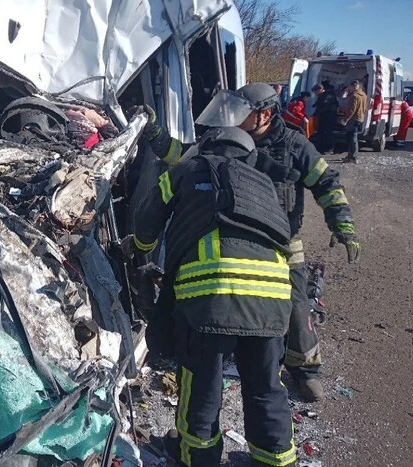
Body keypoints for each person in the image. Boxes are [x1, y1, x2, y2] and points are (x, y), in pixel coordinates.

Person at [133, 83, 360, 402]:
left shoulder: (293, 145)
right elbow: (180, 155)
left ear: (265, 115)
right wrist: (154, 133)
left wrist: (342, 223)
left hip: (281, 243)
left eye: (241, 113)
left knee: (295, 306)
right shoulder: (220, 144)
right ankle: (224, 351)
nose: (231, 118)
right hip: (231, 238)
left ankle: (304, 368)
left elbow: (326, 183)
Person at [124, 123, 298, 467]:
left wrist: (138, 248)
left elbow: (148, 217)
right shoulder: (264, 183)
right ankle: (276, 460)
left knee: (202, 387)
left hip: (211, 298)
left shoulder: (188, 169)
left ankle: (197, 459)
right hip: (274, 300)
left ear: (207, 146)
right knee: (266, 388)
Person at [341, 80, 368, 163]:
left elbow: (351, 110)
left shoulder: (354, 96)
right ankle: (351, 156)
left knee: (352, 138)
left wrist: (345, 120)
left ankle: (353, 157)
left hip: (353, 119)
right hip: (360, 118)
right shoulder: (364, 95)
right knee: (353, 137)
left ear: (353, 86)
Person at [312, 83, 339, 154]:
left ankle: (330, 149)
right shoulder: (322, 96)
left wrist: (318, 112)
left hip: (329, 117)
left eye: (316, 91)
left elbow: (324, 107)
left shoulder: (328, 96)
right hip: (323, 117)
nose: (315, 93)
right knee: (321, 133)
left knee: (328, 133)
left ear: (320, 89)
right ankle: (321, 148)